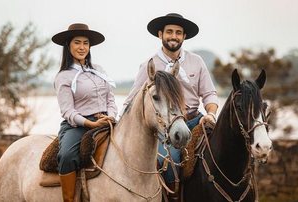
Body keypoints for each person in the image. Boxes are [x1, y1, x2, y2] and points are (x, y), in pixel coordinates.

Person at [121, 13, 219, 201]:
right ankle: (170, 198)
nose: (174, 36)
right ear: (160, 34)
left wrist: (212, 114)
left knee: (219, 154)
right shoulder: (149, 65)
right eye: (169, 32)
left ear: (184, 37)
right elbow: (132, 100)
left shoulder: (196, 61)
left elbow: (209, 94)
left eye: (178, 33)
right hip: (164, 127)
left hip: (196, 120)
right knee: (170, 164)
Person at [52, 23, 117, 202]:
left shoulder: (99, 70)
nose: (82, 47)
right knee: (66, 155)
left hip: (106, 120)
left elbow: (110, 98)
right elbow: (67, 111)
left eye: (85, 43)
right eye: (77, 43)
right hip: (78, 126)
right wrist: (90, 124)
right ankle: (69, 198)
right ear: (68, 46)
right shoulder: (63, 76)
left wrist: (111, 115)